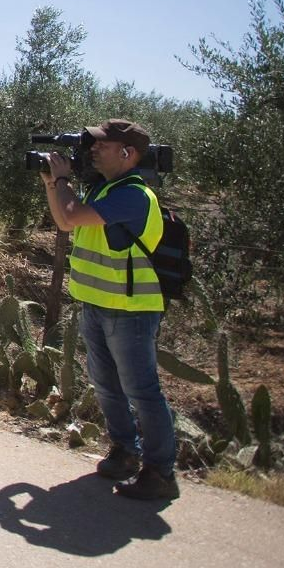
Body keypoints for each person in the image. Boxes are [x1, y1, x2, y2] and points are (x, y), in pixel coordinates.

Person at [41, 118, 178, 501]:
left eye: (103, 145)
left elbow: (70, 215)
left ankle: (161, 472)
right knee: (106, 385)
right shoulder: (104, 189)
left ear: (128, 153)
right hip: (98, 303)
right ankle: (124, 451)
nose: (93, 150)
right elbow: (64, 221)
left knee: (141, 390)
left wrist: (62, 180)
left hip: (130, 308)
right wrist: (53, 183)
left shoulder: (134, 195)